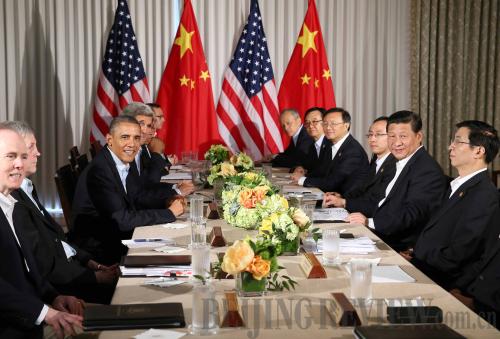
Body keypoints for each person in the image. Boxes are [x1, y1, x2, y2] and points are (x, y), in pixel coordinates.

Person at [0, 121, 118, 304]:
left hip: (59, 284)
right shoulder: (14, 200)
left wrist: (90, 263)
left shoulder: (24, 189)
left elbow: (57, 238)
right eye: (13, 155)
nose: (37, 153)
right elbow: (39, 263)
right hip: (59, 286)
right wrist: (93, 277)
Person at [0, 127, 82, 338]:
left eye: (22, 156)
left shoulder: (14, 207)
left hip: (30, 316)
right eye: (11, 157)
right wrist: (46, 313)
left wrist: (53, 296)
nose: (19, 164)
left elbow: (27, 268)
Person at [71, 116, 185, 264]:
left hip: (117, 235)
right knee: (177, 256)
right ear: (109, 139)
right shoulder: (100, 171)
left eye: (136, 138)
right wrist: (169, 213)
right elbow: (121, 220)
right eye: (125, 137)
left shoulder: (119, 161)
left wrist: (168, 199)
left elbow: (138, 197)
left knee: (180, 244)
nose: (132, 144)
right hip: (101, 249)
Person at [406, 120, 500, 289]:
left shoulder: (484, 195)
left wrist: (419, 259)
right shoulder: (456, 185)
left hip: (441, 280)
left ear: (478, 151)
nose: (451, 147)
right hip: (422, 264)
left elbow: (461, 253)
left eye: (458, 141)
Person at [349, 110, 446, 251]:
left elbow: (412, 215)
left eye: (403, 136)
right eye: (392, 136)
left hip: (399, 245)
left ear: (419, 136)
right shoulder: (398, 162)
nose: (396, 143)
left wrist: (369, 222)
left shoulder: (426, 169)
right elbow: (379, 201)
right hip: (379, 234)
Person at [323, 116, 396, 217]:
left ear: (392, 137)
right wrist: (341, 197)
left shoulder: (395, 166)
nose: (372, 139)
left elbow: (377, 203)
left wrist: (344, 202)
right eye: (370, 134)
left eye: (378, 134)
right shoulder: (376, 161)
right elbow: (362, 189)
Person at [292, 107, 369, 195]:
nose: (328, 127)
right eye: (325, 124)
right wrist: (302, 176)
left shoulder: (352, 151)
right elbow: (321, 173)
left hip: (347, 202)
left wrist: (302, 180)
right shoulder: (330, 145)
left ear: (346, 125)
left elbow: (332, 183)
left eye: (333, 124)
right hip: (330, 196)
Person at [290, 107, 331, 174]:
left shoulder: (332, 144)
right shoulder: (312, 146)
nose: (310, 126)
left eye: (314, 121)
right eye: (307, 122)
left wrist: (303, 180)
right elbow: (307, 166)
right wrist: (299, 167)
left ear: (325, 123)